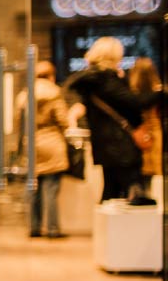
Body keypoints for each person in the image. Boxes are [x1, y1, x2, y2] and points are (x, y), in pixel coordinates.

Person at [66, 37, 164, 201]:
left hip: (108, 144)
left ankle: (109, 227)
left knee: (111, 191)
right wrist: (161, 93)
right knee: (131, 192)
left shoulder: (93, 80)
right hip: (120, 144)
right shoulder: (105, 80)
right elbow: (134, 103)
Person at [17, 61, 70, 238]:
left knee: (32, 188)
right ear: (51, 75)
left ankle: (34, 227)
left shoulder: (24, 95)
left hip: (32, 144)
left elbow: (19, 123)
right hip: (52, 142)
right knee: (51, 188)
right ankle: (53, 228)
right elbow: (63, 120)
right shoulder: (55, 94)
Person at [128, 58, 162, 195]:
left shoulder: (130, 94)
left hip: (137, 135)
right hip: (155, 134)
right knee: (152, 177)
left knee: (137, 177)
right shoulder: (159, 93)